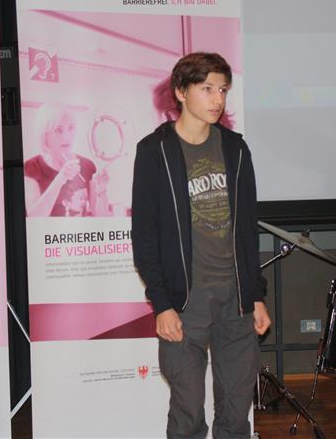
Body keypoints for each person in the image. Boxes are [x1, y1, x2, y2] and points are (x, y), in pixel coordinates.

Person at [132, 52, 271, 439]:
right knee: (188, 413)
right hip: (185, 300)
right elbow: (144, 235)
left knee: (236, 413)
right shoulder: (155, 151)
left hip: (236, 299)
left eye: (223, 90)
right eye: (207, 88)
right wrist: (162, 303)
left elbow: (247, 229)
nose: (217, 99)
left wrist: (256, 295)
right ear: (181, 91)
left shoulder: (236, 149)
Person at [24, 104, 110, 217]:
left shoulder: (87, 165)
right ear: (45, 135)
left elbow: (102, 217)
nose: (67, 136)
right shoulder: (32, 167)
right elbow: (34, 217)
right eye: (58, 130)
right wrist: (60, 179)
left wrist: (101, 191)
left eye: (71, 128)